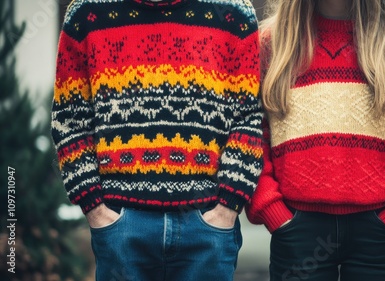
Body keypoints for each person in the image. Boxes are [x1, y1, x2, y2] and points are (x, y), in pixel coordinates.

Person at [51, 0, 262, 280]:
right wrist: (96, 210)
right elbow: (69, 119)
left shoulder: (234, 13)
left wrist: (227, 208)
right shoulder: (87, 14)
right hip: (121, 226)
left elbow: (247, 117)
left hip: (207, 225)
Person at [246, 0, 385, 280]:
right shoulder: (272, 42)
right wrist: (273, 211)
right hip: (297, 228)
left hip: (378, 230)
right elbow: (252, 135)